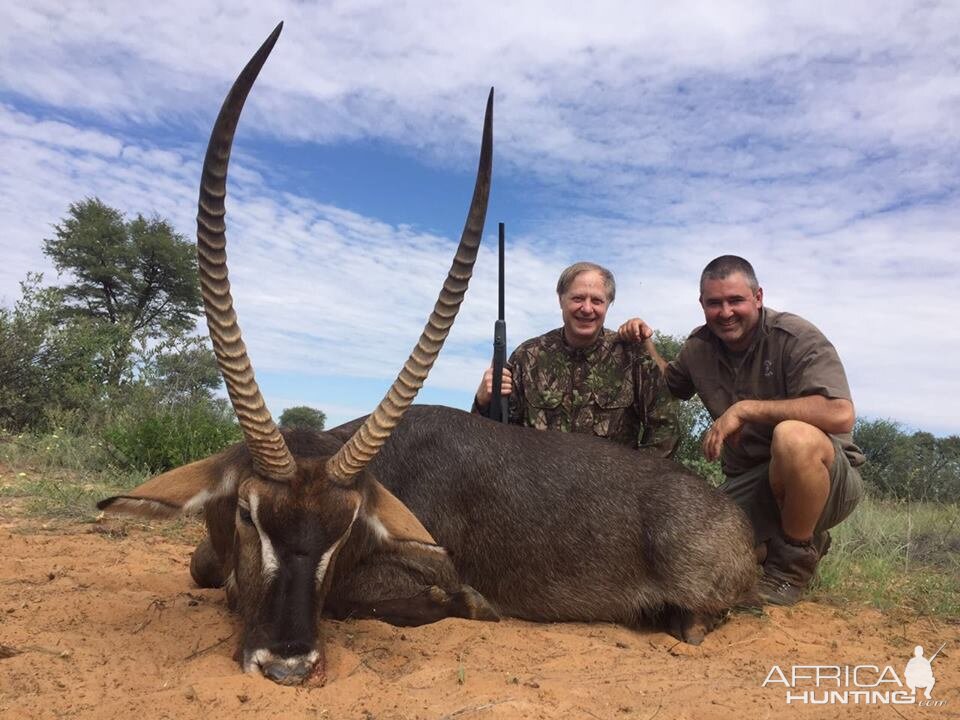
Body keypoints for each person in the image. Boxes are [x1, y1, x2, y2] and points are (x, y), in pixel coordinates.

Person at [618, 255, 864, 605]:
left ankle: (790, 565)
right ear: (702, 304)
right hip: (753, 482)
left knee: (793, 437)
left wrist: (746, 409)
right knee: (688, 548)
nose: (726, 312)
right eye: (714, 303)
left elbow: (840, 414)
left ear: (758, 297)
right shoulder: (698, 348)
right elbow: (671, 384)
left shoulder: (795, 337)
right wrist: (643, 342)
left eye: (736, 300)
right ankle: (776, 546)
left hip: (827, 483)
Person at [472, 261, 678, 455]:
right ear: (561, 299)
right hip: (538, 489)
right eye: (578, 298)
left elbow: (665, 427)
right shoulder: (526, 356)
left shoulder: (633, 357)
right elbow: (495, 435)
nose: (587, 309)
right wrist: (482, 402)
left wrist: (639, 482)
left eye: (597, 300)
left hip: (613, 490)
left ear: (608, 304)